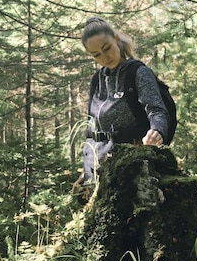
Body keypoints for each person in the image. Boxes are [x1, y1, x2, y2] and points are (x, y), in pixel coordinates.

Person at [72, 17, 170, 194]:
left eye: (107, 48)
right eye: (96, 55)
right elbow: (92, 130)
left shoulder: (138, 73)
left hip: (134, 167)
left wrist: (157, 131)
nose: (104, 57)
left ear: (116, 40)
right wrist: (86, 172)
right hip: (99, 169)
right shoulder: (97, 81)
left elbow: (157, 110)